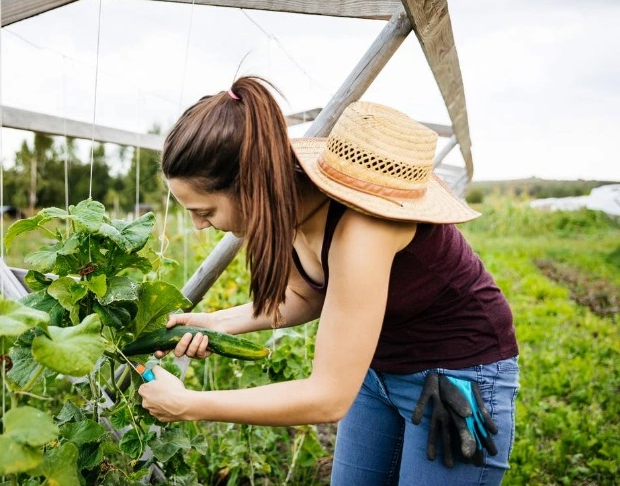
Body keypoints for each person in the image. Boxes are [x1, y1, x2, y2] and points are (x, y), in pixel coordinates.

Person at [137, 76, 520, 484]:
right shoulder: (288, 205)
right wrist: (216, 322)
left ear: (249, 187)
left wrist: (188, 404)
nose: (198, 225)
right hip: (376, 373)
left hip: (456, 378)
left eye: (204, 210)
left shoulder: (360, 231)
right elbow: (305, 293)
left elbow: (327, 397)